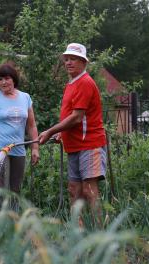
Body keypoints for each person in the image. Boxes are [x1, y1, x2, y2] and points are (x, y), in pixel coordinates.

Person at [38, 43, 107, 226]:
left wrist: (51, 131)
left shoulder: (85, 82)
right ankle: (78, 232)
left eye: (73, 59)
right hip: (74, 144)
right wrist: (63, 134)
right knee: (74, 189)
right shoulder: (71, 83)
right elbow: (71, 115)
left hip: (89, 143)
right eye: (67, 59)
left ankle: (100, 234)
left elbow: (77, 117)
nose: (68, 62)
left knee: (89, 189)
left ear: (83, 62)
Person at [0, 63, 39, 198]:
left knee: (15, 191)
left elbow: (31, 125)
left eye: (6, 78)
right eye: (0, 79)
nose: (3, 82)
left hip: (19, 150)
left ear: (13, 79)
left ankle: (13, 218)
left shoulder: (25, 98)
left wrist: (35, 147)